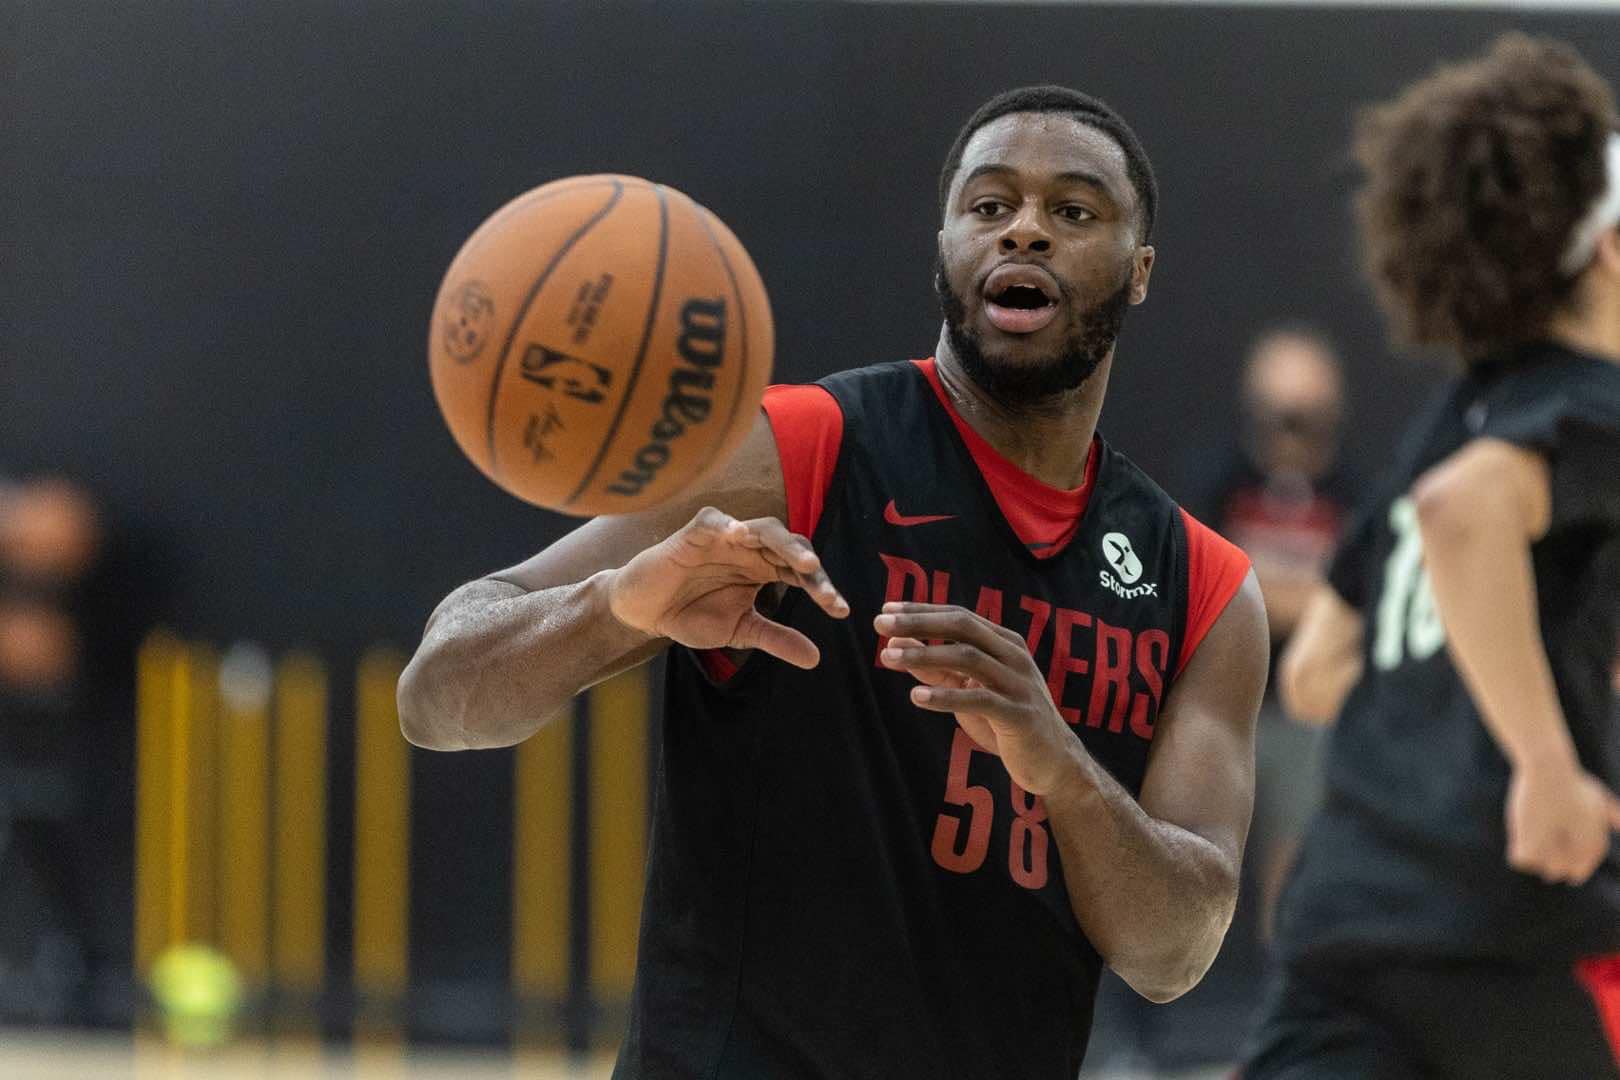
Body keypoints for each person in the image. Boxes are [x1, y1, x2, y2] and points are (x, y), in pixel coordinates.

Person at [400, 85, 1267, 1078]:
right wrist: (612, 609)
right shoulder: (800, 450)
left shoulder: (1203, 586)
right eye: (989, 207)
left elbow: (1175, 953)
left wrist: (1060, 768)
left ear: (1139, 270)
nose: (1024, 230)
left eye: (1073, 212)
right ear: (944, 244)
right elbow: (438, 693)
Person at [1246, 34, 1620, 1079]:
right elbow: (1465, 517)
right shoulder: (1591, 407)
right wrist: (1543, 760)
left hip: (1340, 928)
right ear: (1610, 250)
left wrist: (1486, 671)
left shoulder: (1448, 420)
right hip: (1496, 929)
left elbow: (1318, 673)